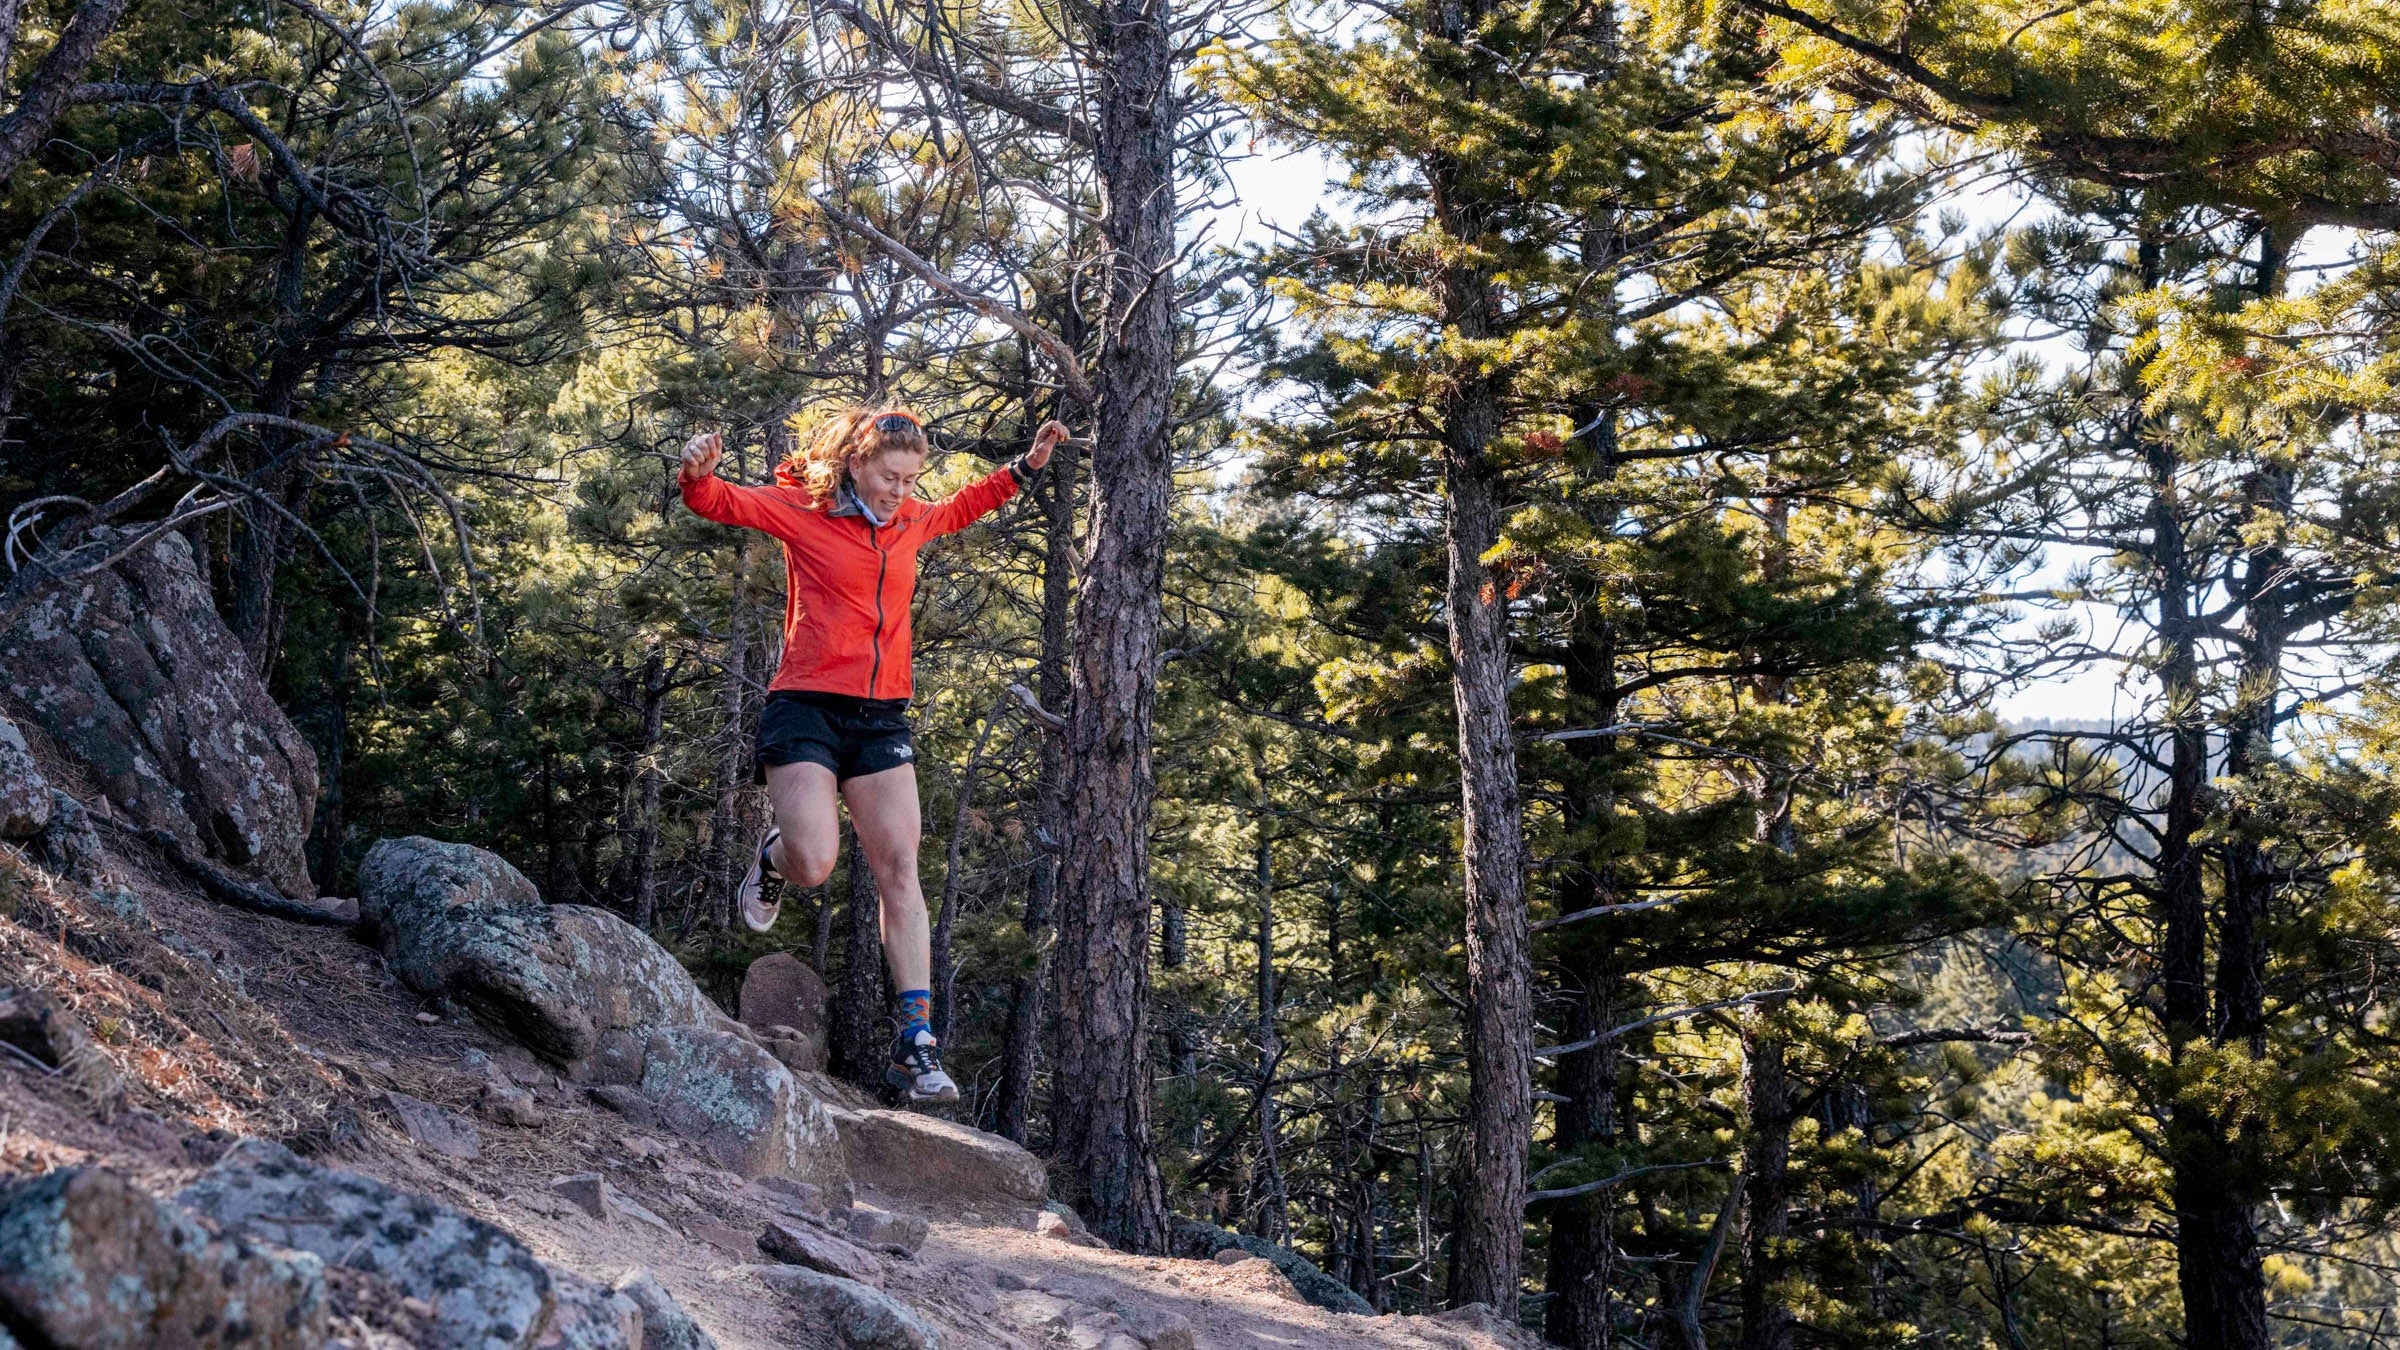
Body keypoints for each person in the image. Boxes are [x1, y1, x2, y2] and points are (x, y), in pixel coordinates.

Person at [679, 407, 1068, 1103]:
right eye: (890, 477)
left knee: (900, 869)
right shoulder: (805, 511)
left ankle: (917, 1042)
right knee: (813, 863)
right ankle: (773, 860)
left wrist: (1026, 466)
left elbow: (962, 507)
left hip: (880, 714)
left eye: (911, 479)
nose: (900, 491)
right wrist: (697, 474)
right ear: (857, 463)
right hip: (805, 705)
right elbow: (720, 502)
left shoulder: (912, 517)